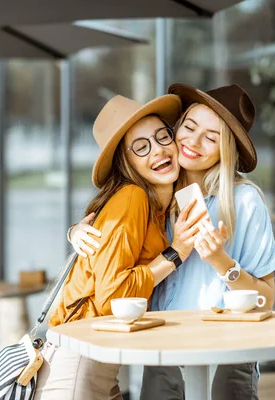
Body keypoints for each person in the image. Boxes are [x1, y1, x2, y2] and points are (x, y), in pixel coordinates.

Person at [68, 84, 275, 400]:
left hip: (227, 354)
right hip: (162, 352)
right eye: (189, 127)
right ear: (176, 127)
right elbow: (114, 265)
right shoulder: (153, 200)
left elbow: (265, 300)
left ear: (226, 150)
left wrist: (219, 261)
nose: (193, 142)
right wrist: (76, 231)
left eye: (211, 138)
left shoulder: (244, 201)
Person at [35, 94, 205, 400]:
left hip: (95, 362)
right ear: (126, 162)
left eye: (162, 136)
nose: (158, 150)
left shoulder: (162, 208)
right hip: (78, 363)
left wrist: (74, 231)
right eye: (141, 147)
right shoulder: (133, 198)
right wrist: (175, 253)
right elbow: (113, 295)